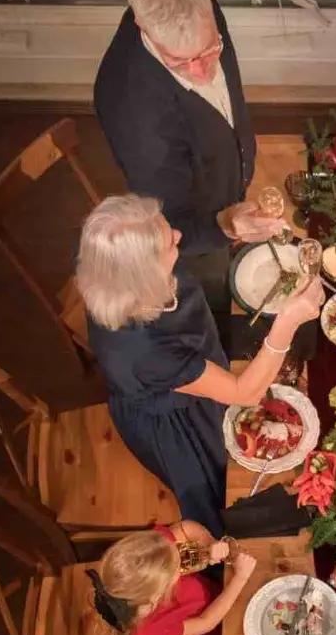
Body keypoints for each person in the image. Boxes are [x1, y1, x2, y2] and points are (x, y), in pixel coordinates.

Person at [77, 194, 323, 536]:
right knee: (220, 489)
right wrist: (288, 322)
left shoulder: (121, 269)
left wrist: (229, 223)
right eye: (168, 243)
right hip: (177, 419)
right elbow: (244, 392)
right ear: (145, 275)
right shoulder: (144, 350)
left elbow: (183, 235)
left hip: (193, 361)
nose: (177, 236)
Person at [94, 0, 284, 311]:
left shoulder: (199, 5)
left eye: (209, 50)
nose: (201, 72)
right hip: (194, 234)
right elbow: (171, 221)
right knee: (214, 306)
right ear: (143, 26)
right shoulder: (133, 110)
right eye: (180, 63)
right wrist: (226, 226)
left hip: (224, 188)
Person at [89, 520, 258, 635]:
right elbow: (206, 622)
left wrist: (209, 545)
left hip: (217, 596)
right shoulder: (149, 633)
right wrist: (240, 578)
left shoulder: (152, 552)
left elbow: (186, 528)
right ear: (156, 596)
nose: (179, 561)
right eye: (176, 568)